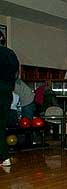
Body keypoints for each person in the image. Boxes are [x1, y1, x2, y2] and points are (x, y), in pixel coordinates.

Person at [0, 32, 19, 167]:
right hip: (7, 93)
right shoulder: (11, 54)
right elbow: (16, 73)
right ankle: (5, 157)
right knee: (1, 126)